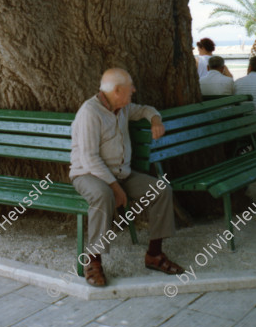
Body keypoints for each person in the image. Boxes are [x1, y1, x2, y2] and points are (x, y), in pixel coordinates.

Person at [70, 68, 184, 287]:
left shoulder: (121, 107)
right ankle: (93, 261)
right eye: (130, 87)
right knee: (103, 196)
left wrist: (155, 120)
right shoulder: (89, 112)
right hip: (87, 174)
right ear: (117, 90)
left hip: (121, 174)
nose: (134, 89)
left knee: (161, 190)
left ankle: (154, 255)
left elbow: (145, 109)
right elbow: (89, 158)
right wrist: (116, 188)